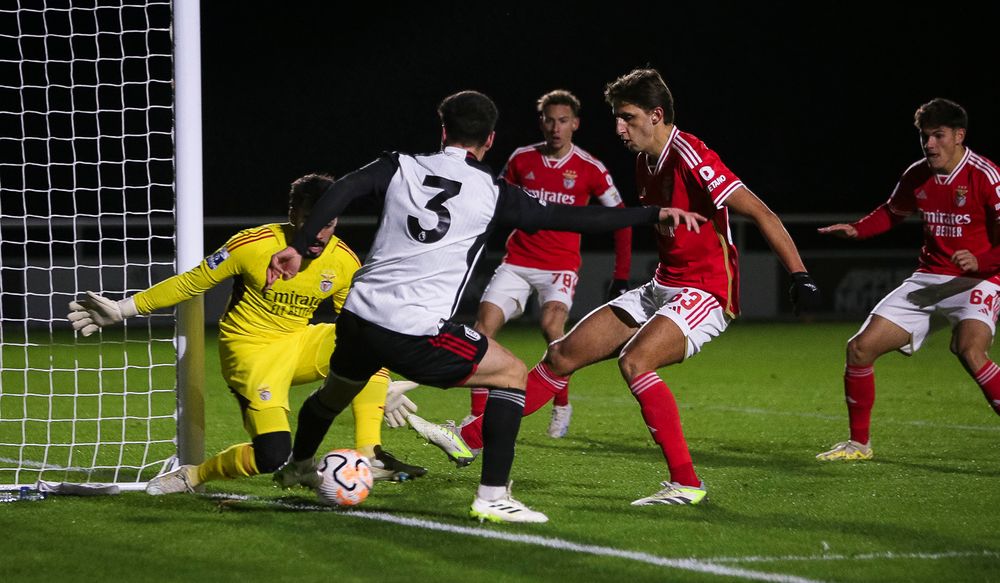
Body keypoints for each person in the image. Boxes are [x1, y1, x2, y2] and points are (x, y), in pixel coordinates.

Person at [265, 90, 706, 523]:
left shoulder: (399, 165)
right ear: (490, 139)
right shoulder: (492, 191)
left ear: (443, 131)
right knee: (513, 373)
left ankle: (298, 466)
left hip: (359, 319)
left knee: (333, 395)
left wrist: (302, 246)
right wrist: (651, 214)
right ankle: (493, 496)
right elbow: (569, 217)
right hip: (413, 330)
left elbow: (342, 188)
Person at [452, 68, 821, 506]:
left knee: (636, 360)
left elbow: (762, 213)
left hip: (705, 291)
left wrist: (799, 275)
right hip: (661, 285)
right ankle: (468, 438)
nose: (619, 128)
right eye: (617, 117)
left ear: (656, 114)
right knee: (563, 353)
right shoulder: (645, 159)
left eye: (627, 117)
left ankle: (687, 483)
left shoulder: (692, 156)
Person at [67, 174, 427, 495]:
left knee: (367, 338)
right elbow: (192, 282)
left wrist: (378, 378)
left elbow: (356, 320)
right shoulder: (254, 244)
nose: (319, 233)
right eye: (309, 221)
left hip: (297, 343)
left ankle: (369, 451)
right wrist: (123, 309)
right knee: (271, 455)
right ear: (293, 214)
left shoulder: (344, 260)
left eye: (328, 222)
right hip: (251, 352)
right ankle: (194, 475)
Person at [816, 98, 1000, 461]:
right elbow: (891, 212)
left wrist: (979, 260)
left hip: (979, 280)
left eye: (938, 135)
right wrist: (857, 230)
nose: (929, 144)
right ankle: (859, 445)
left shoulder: (986, 176)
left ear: (959, 135)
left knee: (969, 350)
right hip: (928, 279)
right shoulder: (917, 174)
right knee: (859, 348)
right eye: (924, 136)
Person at [469, 89, 632, 439]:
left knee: (551, 327)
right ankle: (475, 419)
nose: (556, 128)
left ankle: (561, 405)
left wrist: (621, 277)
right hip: (517, 262)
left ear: (575, 124)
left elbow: (621, 220)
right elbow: (493, 205)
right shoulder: (521, 160)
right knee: (481, 332)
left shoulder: (590, 168)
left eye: (563, 121)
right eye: (549, 120)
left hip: (560, 266)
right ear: (541, 123)